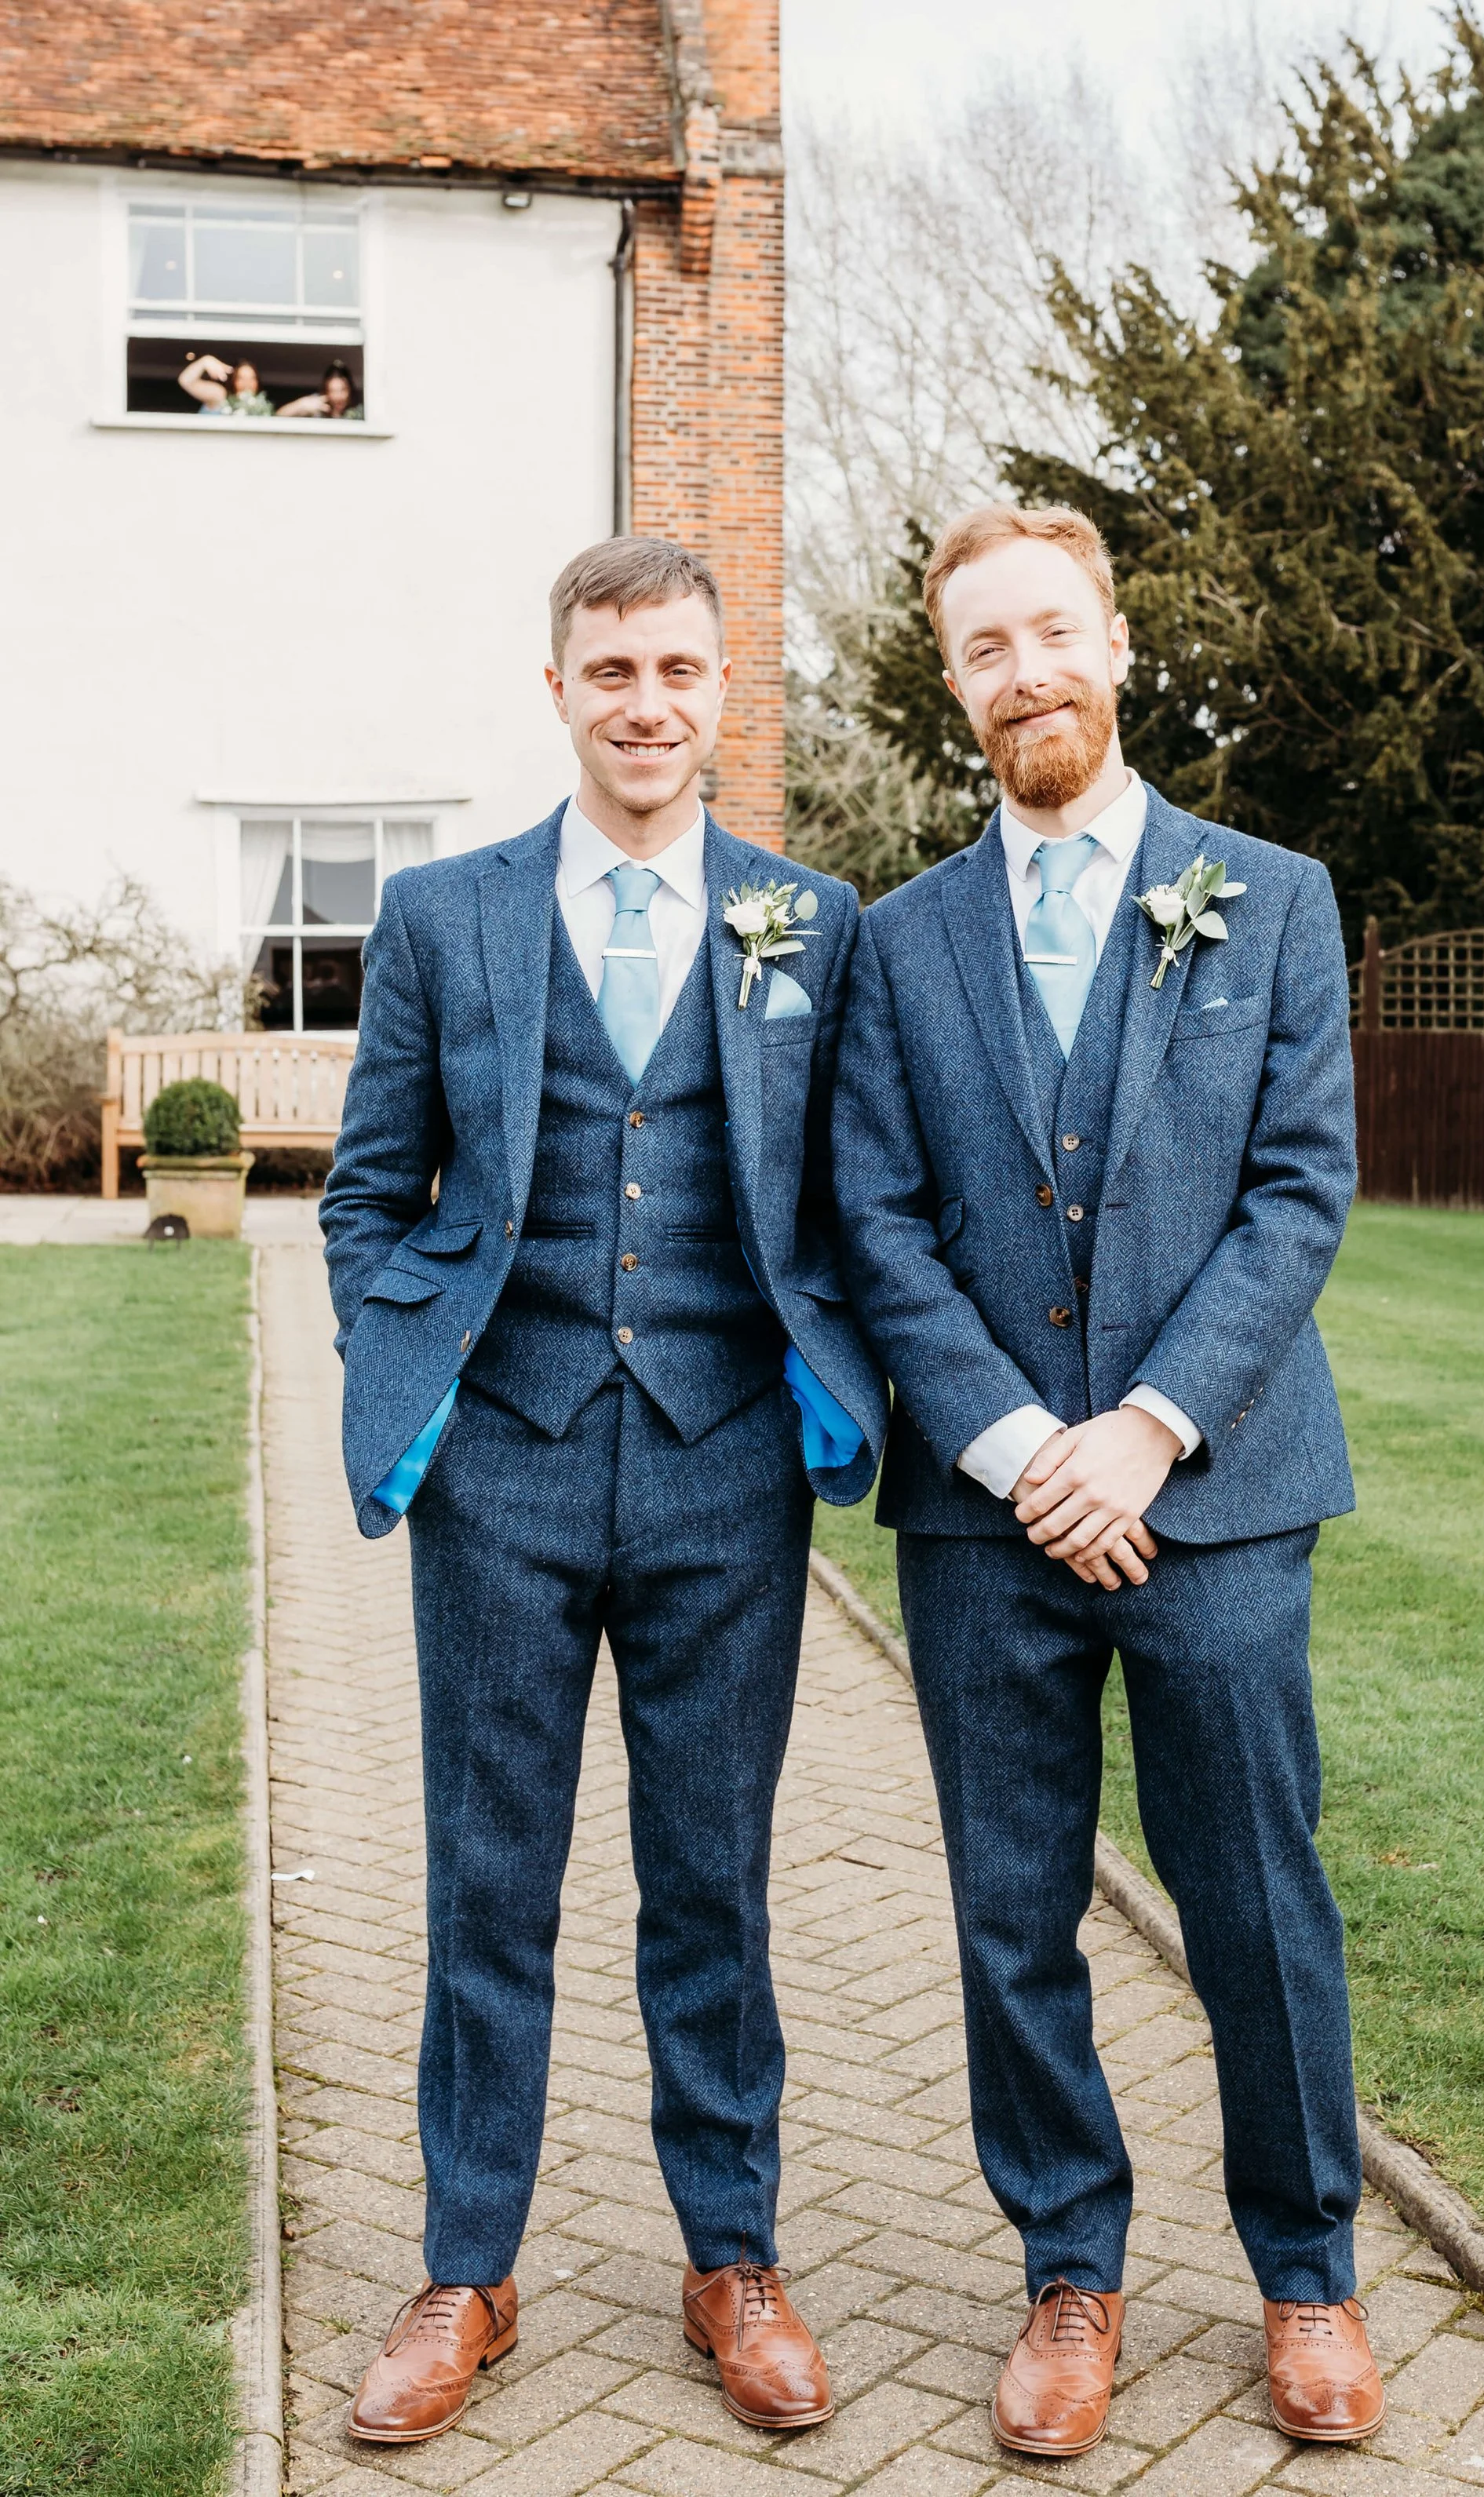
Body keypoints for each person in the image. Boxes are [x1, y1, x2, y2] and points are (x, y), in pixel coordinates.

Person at [319, 536, 884, 2448]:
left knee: (709, 1884)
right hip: (509, 1470)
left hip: (731, 1471)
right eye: (610, 669)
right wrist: (425, 1385)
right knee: (491, 1882)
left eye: (678, 670)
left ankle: (734, 2254)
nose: (646, 702)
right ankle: (467, 2266)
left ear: (726, 692)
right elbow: (367, 1191)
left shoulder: (810, 919)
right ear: (553, 687)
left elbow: (846, 1202)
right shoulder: (442, 915)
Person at [832, 504, 1380, 2461]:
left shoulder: (1273, 896)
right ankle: (1071, 2272)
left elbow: (1298, 1188)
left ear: (1117, 645)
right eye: (986, 647)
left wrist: (1145, 1426)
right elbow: (877, 1222)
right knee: (1009, 1907)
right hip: (988, 1519)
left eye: (1051, 631)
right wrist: (1011, 1443)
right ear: (956, 678)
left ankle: (1307, 2275)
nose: (1024, 671)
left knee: (1256, 1900)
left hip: (1216, 1493)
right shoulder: (890, 944)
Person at [177, 352, 272, 416]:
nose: (247, 383)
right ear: (233, 381)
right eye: (241, 378)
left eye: (252, 378)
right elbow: (186, 381)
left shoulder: (261, 409)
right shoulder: (220, 397)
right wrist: (205, 361)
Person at [279, 356, 363, 419]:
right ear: (326, 391)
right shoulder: (316, 406)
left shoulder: (359, 412)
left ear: (350, 390)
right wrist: (301, 405)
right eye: (333, 391)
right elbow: (278, 415)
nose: (338, 397)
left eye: (342, 390)